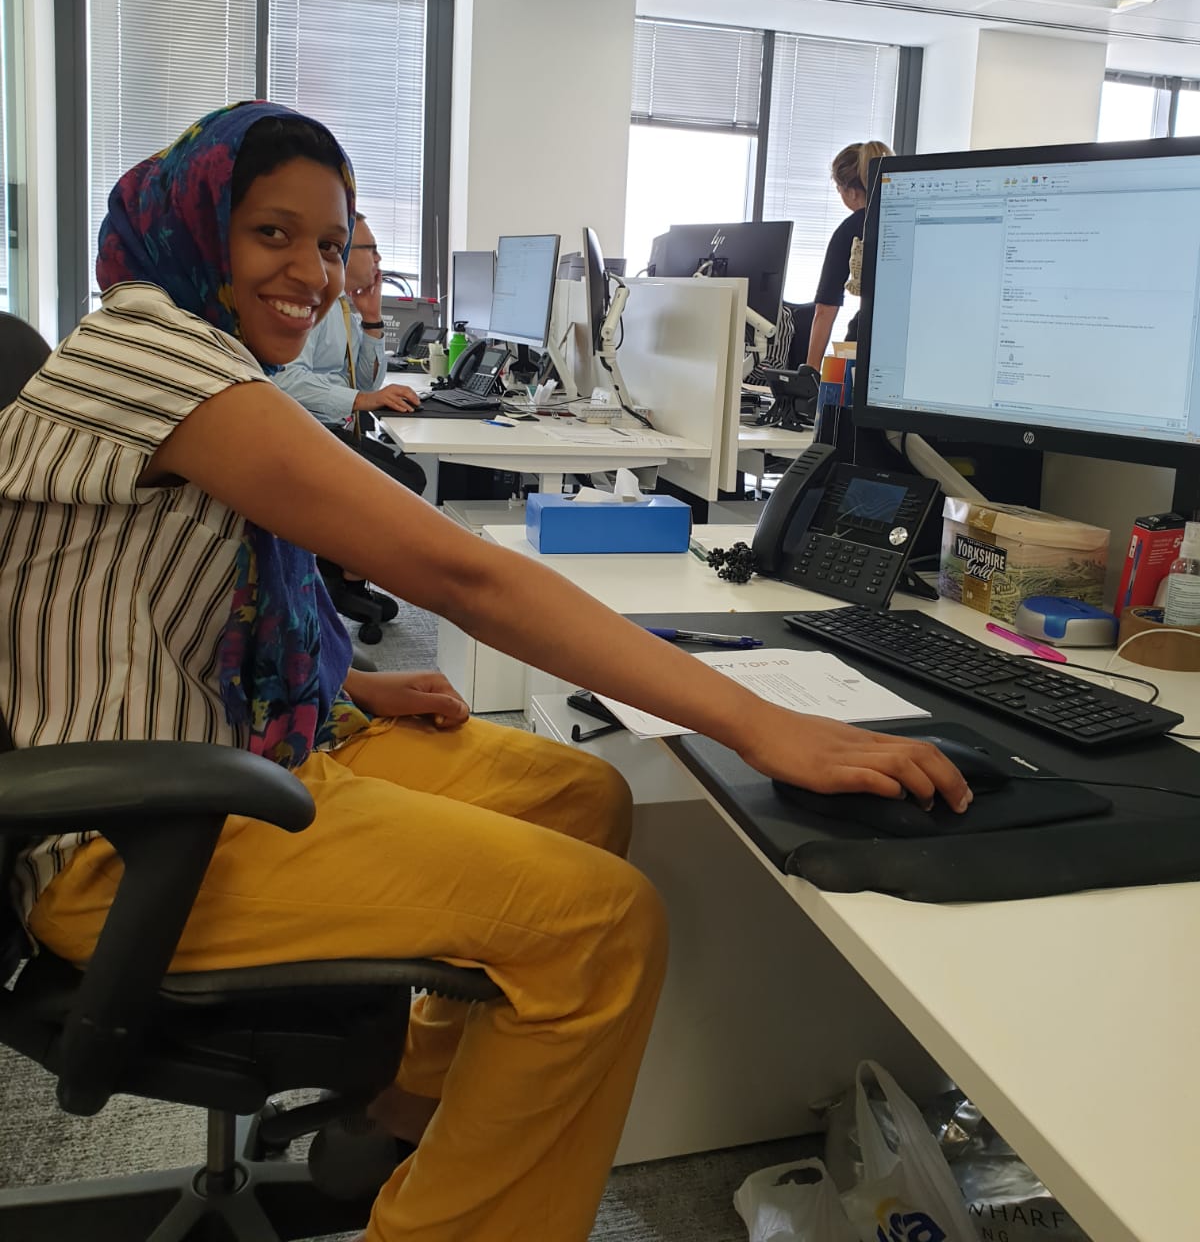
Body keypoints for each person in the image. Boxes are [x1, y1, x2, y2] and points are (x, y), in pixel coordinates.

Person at [0, 103, 969, 1242]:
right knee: (603, 928)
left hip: (237, 743)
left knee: (580, 793)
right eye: (273, 234)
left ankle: (408, 1106)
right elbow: (468, 581)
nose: (312, 273)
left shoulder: (181, 344)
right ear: (199, 226)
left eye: (329, 240)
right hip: (128, 836)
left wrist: (351, 684)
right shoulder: (152, 355)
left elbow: (138, 602)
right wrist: (760, 724)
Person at [274, 210, 426, 624]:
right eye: (371, 250)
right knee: (401, 482)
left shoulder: (346, 308)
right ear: (341, 253)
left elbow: (363, 377)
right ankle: (339, 573)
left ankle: (346, 573)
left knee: (410, 475)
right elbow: (285, 380)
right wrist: (362, 399)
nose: (379, 260)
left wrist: (373, 320)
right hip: (302, 431)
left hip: (333, 425)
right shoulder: (315, 308)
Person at [805, 139, 893, 372]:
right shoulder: (905, 217)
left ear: (853, 193)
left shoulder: (851, 229)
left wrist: (810, 374)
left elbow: (825, 310)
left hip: (867, 340)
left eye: (839, 189)